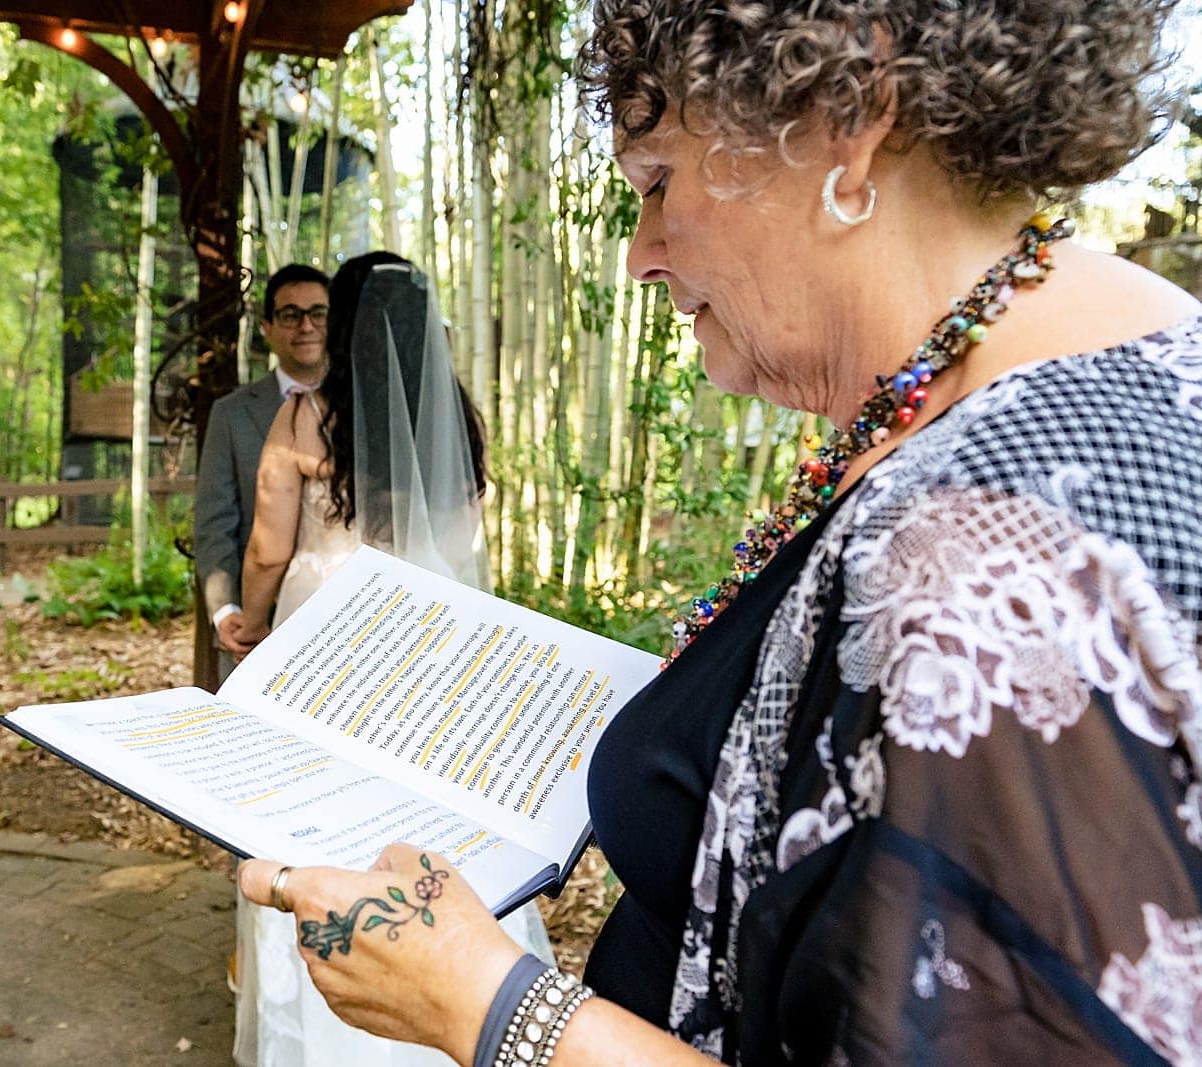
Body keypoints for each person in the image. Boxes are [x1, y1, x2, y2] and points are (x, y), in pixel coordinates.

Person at [238, 2, 1202, 1064]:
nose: (640, 256)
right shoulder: (1044, 374)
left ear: (847, 121)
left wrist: (489, 1004)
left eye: (657, 185)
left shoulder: (986, 556)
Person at [228, 251, 553, 1066]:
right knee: (422, 833)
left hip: (324, 651)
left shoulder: (308, 419)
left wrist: (253, 626)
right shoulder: (462, 422)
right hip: (435, 653)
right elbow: (460, 545)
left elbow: (268, 551)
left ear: (342, 327)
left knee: (315, 832)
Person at [196, 263, 330, 682]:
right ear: (268, 327)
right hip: (261, 625)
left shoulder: (365, 408)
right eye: (290, 315)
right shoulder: (231, 414)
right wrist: (227, 611)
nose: (306, 326)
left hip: (346, 620)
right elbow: (214, 521)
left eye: (318, 313)